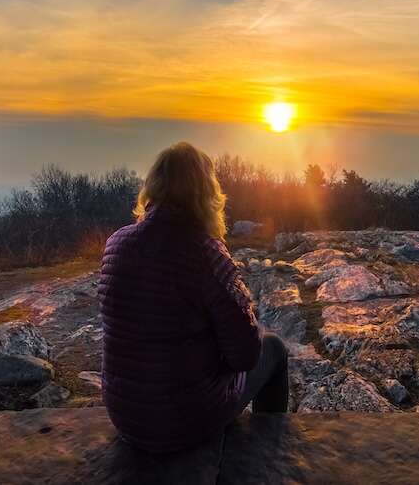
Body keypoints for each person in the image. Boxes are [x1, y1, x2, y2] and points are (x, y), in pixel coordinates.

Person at [98, 142, 289, 453]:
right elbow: (246, 355)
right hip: (184, 421)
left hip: (125, 415)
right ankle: (266, 453)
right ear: (207, 193)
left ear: (153, 186)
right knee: (275, 348)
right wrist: (245, 308)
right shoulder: (206, 253)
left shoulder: (116, 245)